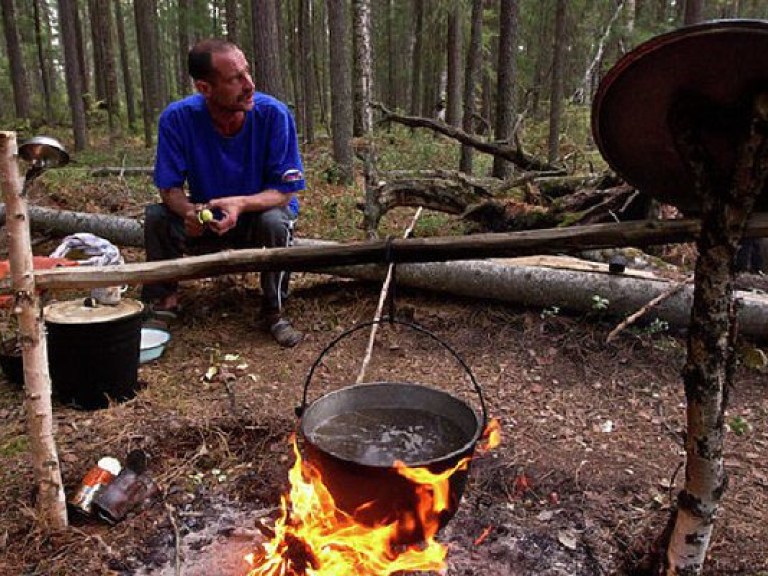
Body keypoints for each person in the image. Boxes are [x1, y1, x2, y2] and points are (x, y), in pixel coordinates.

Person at [142, 38, 305, 347]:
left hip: (258, 216)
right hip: (209, 217)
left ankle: (274, 310)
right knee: (158, 218)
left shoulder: (273, 115)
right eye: (235, 79)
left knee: (275, 222)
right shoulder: (178, 119)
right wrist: (189, 212)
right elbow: (169, 188)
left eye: (247, 72)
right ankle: (164, 303)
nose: (249, 84)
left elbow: (285, 192)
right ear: (205, 88)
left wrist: (241, 204)